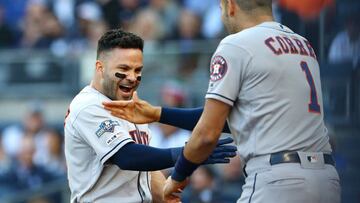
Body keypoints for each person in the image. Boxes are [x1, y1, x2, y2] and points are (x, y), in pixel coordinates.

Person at [103, 0, 341, 202]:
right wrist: (158, 114)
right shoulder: (303, 45)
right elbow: (240, 119)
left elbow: (208, 133)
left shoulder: (236, 44)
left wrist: (176, 179)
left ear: (231, 5)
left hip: (278, 179)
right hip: (327, 179)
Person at [64, 29, 236, 203]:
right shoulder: (87, 105)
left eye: (137, 69)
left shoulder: (133, 106)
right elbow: (127, 157)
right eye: (124, 68)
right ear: (100, 67)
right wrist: (189, 154)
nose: (132, 77)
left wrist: (166, 195)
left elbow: (144, 172)